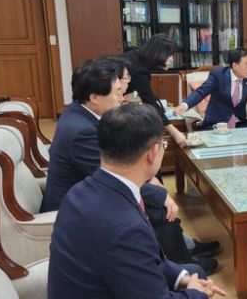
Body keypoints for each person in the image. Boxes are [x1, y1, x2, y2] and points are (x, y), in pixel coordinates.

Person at [40, 57, 219, 273]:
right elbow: (112, 178)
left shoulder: (79, 113)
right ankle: (179, 265)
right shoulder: (82, 132)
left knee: (155, 187)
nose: (121, 96)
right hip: (76, 207)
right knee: (158, 206)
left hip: (88, 191)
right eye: (117, 92)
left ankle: (183, 248)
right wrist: (159, 194)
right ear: (94, 97)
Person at [48, 103, 226, 299]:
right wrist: (195, 293)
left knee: (193, 272)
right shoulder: (128, 230)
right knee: (199, 283)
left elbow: (139, 260)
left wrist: (183, 279)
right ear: (152, 153)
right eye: (163, 145)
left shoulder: (78, 192)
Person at [174, 48, 247, 129]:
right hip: (216, 124)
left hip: (240, 123)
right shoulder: (218, 75)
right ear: (235, 66)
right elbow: (201, 92)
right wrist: (185, 105)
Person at [123, 34, 189, 146]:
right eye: (170, 55)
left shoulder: (136, 57)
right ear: (160, 54)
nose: (172, 59)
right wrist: (175, 133)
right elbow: (151, 103)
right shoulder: (139, 70)